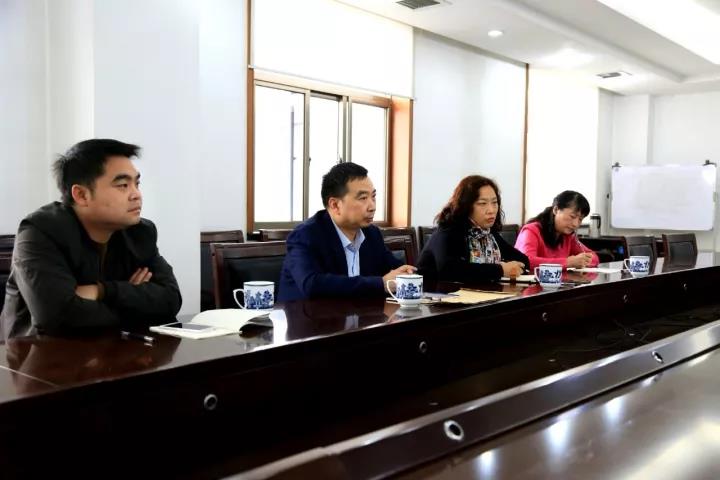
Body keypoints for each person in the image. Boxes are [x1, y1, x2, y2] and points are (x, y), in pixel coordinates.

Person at [0, 139, 182, 339]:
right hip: (37, 353)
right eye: (123, 185)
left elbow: (171, 299)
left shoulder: (140, 232)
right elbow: (58, 317)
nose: (136, 195)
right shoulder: (40, 232)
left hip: (117, 349)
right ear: (81, 195)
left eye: (136, 184)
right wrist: (136, 301)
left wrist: (102, 291)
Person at [278, 162, 415, 301]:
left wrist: (407, 274)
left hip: (360, 314)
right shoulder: (305, 236)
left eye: (373, 196)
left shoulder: (372, 234)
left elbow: (394, 269)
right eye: (363, 198)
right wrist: (381, 284)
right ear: (335, 205)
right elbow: (312, 285)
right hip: (309, 314)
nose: (372, 206)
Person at [416, 175, 529, 285]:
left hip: (477, 294)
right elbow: (450, 270)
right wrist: (500, 270)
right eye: (482, 203)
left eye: (494, 202)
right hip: (437, 295)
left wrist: (510, 268)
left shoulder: (488, 233)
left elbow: (523, 260)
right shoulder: (449, 231)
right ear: (466, 206)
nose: (491, 210)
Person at [515, 190, 599, 270]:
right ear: (556, 210)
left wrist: (582, 261)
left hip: (559, 280)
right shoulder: (531, 230)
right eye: (572, 216)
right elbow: (526, 261)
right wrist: (568, 262)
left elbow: (594, 257)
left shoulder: (568, 236)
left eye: (580, 219)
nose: (576, 224)